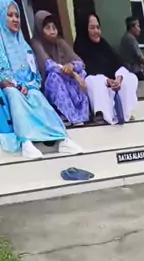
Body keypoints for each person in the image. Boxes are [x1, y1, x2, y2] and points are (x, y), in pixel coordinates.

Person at [0, 0, 82, 159]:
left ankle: (62, 139)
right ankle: (26, 142)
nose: (15, 19)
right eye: (10, 15)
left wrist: (29, 85)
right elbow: (2, 72)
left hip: (28, 88)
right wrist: (17, 86)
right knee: (14, 95)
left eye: (17, 15)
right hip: (10, 87)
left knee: (37, 96)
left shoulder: (25, 46)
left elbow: (35, 75)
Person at [74, 13, 138, 125]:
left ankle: (126, 113)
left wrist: (119, 77)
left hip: (113, 84)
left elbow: (119, 62)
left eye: (98, 27)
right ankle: (101, 114)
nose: (96, 31)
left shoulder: (103, 44)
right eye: (92, 28)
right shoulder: (80, 46)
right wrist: (106, 80)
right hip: (99, 84)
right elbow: (87, 69)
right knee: (93, 80)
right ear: (84, 29)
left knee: (131, 77)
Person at [31, 10, 89, 127]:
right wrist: (73, 73)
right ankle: (67, 115)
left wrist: (72, 66)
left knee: (82, 73)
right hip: (47, 87)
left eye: (54, 27)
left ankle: (81, 115)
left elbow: (80, 63)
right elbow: (49, 66)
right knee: (54, 77)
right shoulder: (36, 43)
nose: (52, 31)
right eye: (47, 28)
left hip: (66, 80)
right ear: (40, 29)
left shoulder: (60, 42)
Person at [120, 16, 144, 81]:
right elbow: (140, 57)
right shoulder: (130, 39)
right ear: (132, 27)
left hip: (133, 70)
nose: (139, 29)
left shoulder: (127, 37)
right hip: (133, 72)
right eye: (138, 26)